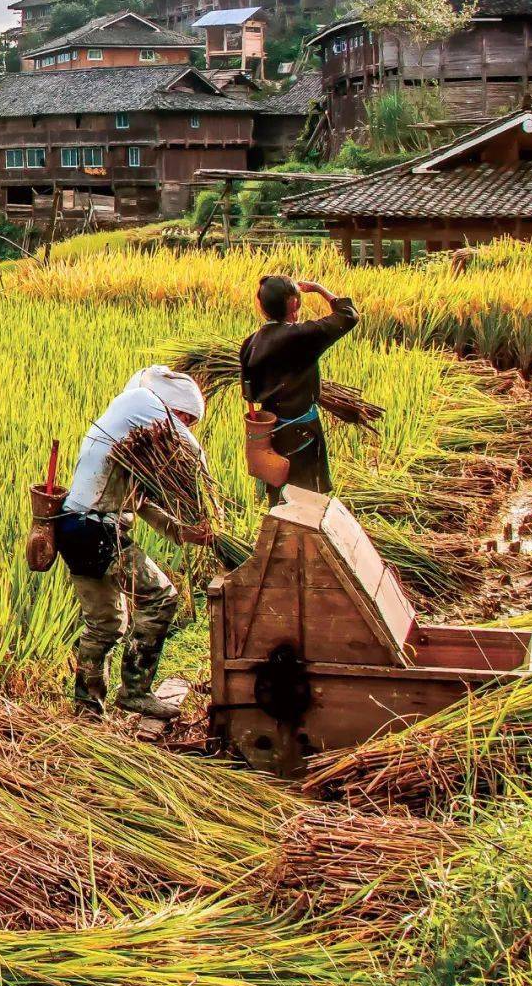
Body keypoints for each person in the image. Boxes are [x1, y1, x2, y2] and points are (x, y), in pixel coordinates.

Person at [58, 365, 212, 720]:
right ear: (172, 406)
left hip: (77, 530)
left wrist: (183, 533)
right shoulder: (137, 400)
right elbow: (189, 449)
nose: (186, 427)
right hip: (95, 532)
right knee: (161, 599)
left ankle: (87, 707)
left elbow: (141, 503)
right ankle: (135, 692)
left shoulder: (130, 441)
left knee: (106, 623)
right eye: (186, 418)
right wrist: (205, 488)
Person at [239, 275, 358, 503]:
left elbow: (249, 394)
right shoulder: (301, 336)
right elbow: (348, 315)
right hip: (302, 432)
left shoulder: (251, 342)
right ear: (293, 303)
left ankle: (279, 535)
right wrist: (320, 289)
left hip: (272, 434)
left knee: (279, 494)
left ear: (262, 306)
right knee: (306, 499)